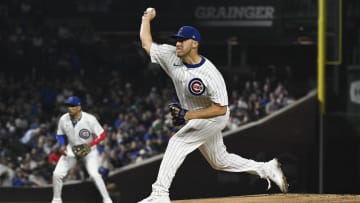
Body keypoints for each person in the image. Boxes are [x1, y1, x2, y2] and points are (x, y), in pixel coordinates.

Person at [138, 8, 288, 203]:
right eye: (177, 39)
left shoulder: (210, 74)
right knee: (219, 161)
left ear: (195, 44)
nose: (178, 43)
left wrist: (188, 115)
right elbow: (146, 43)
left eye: (182, 40)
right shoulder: (170, 56)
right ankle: (266, 168)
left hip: (214, 116)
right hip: (197, 115)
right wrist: (146, 18)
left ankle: (159, 194)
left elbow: (221, 109)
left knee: (178, 141)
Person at [51, 96, 113, 203]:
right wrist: (62, 145)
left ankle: (107, 199)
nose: (69, 108)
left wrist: (91, 144)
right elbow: (60, 135)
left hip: (89, 151)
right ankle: (56, 200)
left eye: (72, 106)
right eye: (68, 106)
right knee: (56, 174)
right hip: (72, 150)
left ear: (79, 107)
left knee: (94, 174)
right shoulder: (63, 119)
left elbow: (102, 135)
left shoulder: (90, 119)